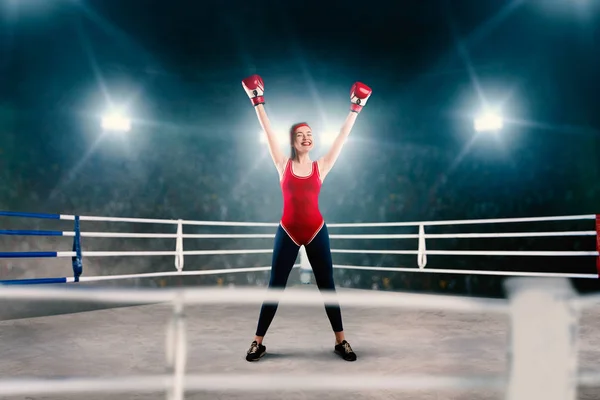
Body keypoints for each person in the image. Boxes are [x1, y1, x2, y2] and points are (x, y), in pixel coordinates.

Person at [241, 74, 372, 362]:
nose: (306, 137)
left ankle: (341, 341)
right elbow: (268, 131)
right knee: (275, 286)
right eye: (300, 134)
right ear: (293, 141)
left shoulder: (321, 166)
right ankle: (257, 342)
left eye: (309, 134)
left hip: (315, 230)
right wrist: (257, 101)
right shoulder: (282, 164)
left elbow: (342, 138)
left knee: (328, 287)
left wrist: (355, 109)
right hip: (287, 230)